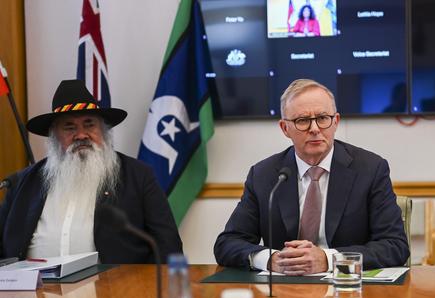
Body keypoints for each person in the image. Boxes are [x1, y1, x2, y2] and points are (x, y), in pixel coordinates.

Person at [214, 79, 409, 275]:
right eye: (302, 120)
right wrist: (271, 259)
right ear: (284, 128)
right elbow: (227, 244)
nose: (315, 128)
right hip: (285, 293)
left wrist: (328, 259)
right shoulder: (264, 175)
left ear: (336, 122)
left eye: (323, 118)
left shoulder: (370, 169)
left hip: (349, 292)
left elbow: (395, 246)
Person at [0, 80, 182, 264]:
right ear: (54, 136)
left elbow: (168, 245)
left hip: (112, 290)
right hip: (33, 290)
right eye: (69, 127)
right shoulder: (22, 183)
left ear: (103, 130)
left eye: (89, 125)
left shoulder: (138, 176)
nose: (81, 135)